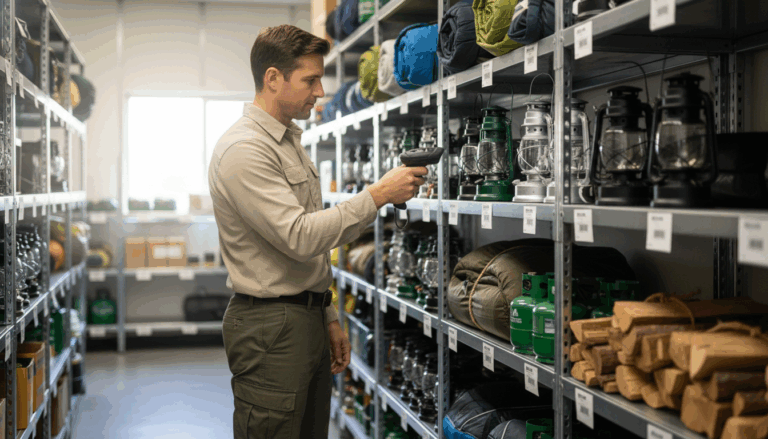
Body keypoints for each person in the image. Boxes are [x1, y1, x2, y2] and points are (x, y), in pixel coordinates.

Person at [208, 24, 427, 439]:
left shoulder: (286, 141)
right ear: (273, 78)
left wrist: (326, 314)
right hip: (270, 327)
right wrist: (377, 194)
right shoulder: (245, 150)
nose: (320, 92)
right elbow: (301, 235)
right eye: (310, 79)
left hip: (302, 317)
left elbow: (308, 250)